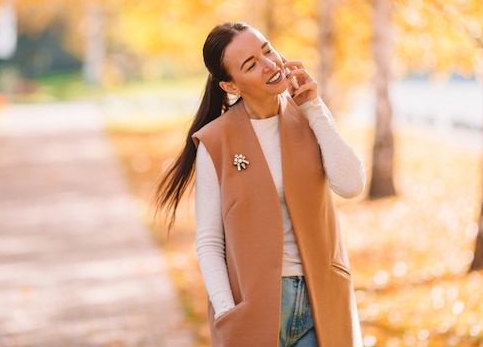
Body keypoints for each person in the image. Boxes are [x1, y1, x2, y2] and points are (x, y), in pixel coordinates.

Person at [155, 22, 366, 347]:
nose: (269, 64)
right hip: (254, 309)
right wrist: (227, 311)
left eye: (267, 50)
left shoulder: (309, 116)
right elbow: (210, 241)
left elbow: (351, 185)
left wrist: (314, 107)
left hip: (321, 299)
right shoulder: (216, 141)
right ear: (232, 85)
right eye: (251, 64)